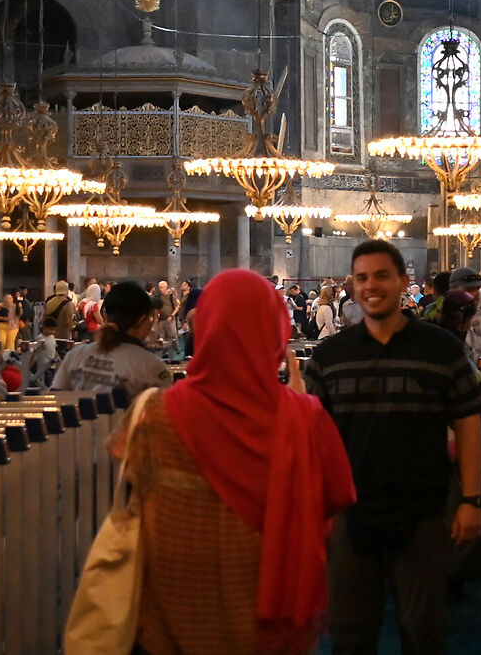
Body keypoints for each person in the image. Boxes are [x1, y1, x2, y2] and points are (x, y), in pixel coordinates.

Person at [122, 269, 354, 654]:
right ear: (276, 331)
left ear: (206, 325)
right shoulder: (304, 419)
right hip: (269, 622)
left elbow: (134, 493)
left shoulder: (154, 414)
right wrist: (298, 408)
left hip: (173, 615)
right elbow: (335, 499)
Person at [303, 239, 481, 655]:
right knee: (350, 635)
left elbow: (468, 422)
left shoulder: (441, 348)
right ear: (352, 285)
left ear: (404, 281)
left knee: (423, 632)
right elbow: (311, 436)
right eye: (363, 277)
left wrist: (472, 499)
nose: (371, 286)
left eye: (382, 276)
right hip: (350, 516)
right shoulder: (330, 356)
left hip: (423, 511)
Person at [57, 280, 178, 399]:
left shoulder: (74, 356)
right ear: (143, 320)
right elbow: (164, 414)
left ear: (105, 315)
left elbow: (56, 398)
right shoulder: (153, 367)